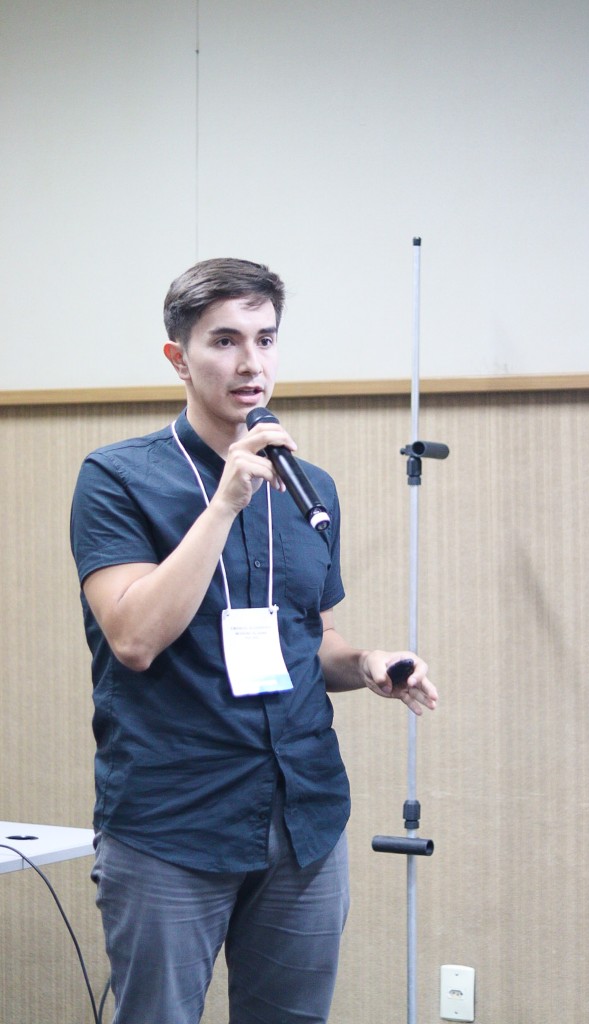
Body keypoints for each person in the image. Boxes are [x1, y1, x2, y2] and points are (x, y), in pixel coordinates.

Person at [70, 257, 438, 1024]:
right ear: (178, 357)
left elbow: (314, 640)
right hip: (174, 822)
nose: (250, 363)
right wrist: (224, 504)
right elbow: (134, 638)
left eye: (265, 340)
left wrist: (368, 663)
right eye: (225, 341)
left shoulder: (310, 486)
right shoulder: (116, 479)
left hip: (303, 818)